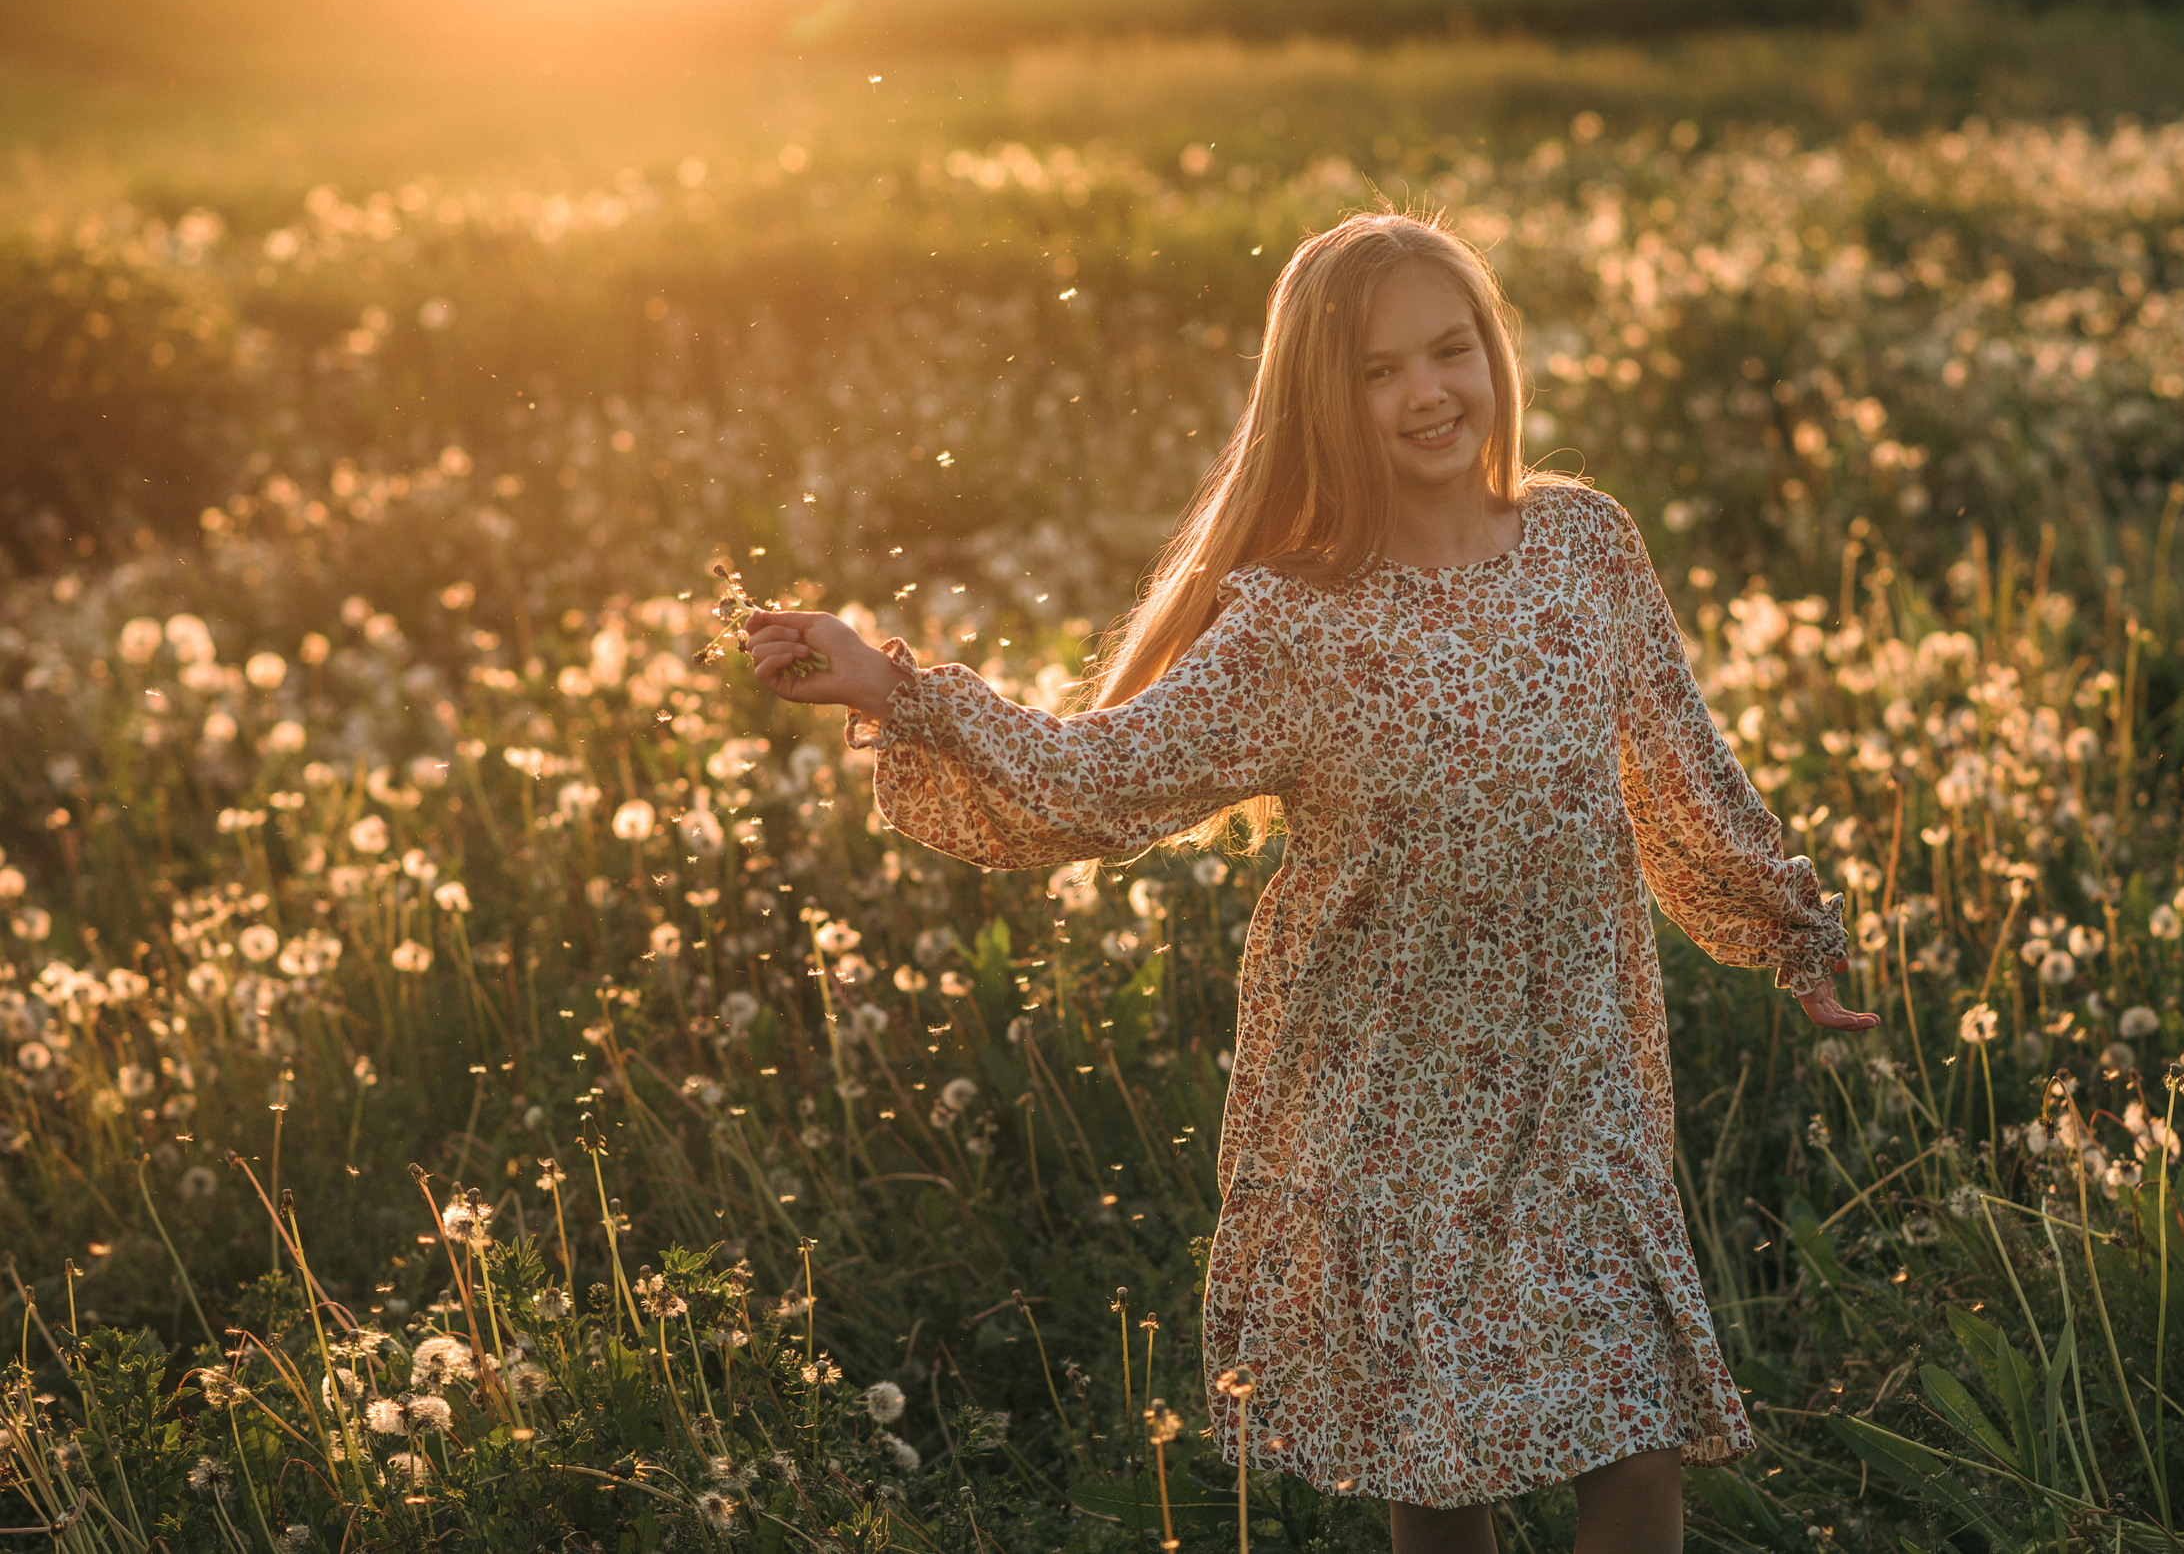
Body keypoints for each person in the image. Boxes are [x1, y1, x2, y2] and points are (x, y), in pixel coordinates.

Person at [743, 211, 1880, 1554]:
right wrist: (893, 686)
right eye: (1379, 371)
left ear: (1493, 356)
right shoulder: (1296, 618)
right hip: (1386, 1092)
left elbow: (1681, 767)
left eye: (1450, 350)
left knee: (1635, 1452)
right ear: (1321, 404)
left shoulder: (1585, 547)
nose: (1427, 393)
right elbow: (1101, 782)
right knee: (1443, 1472)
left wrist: (1787, 924)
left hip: (1579, 1075)